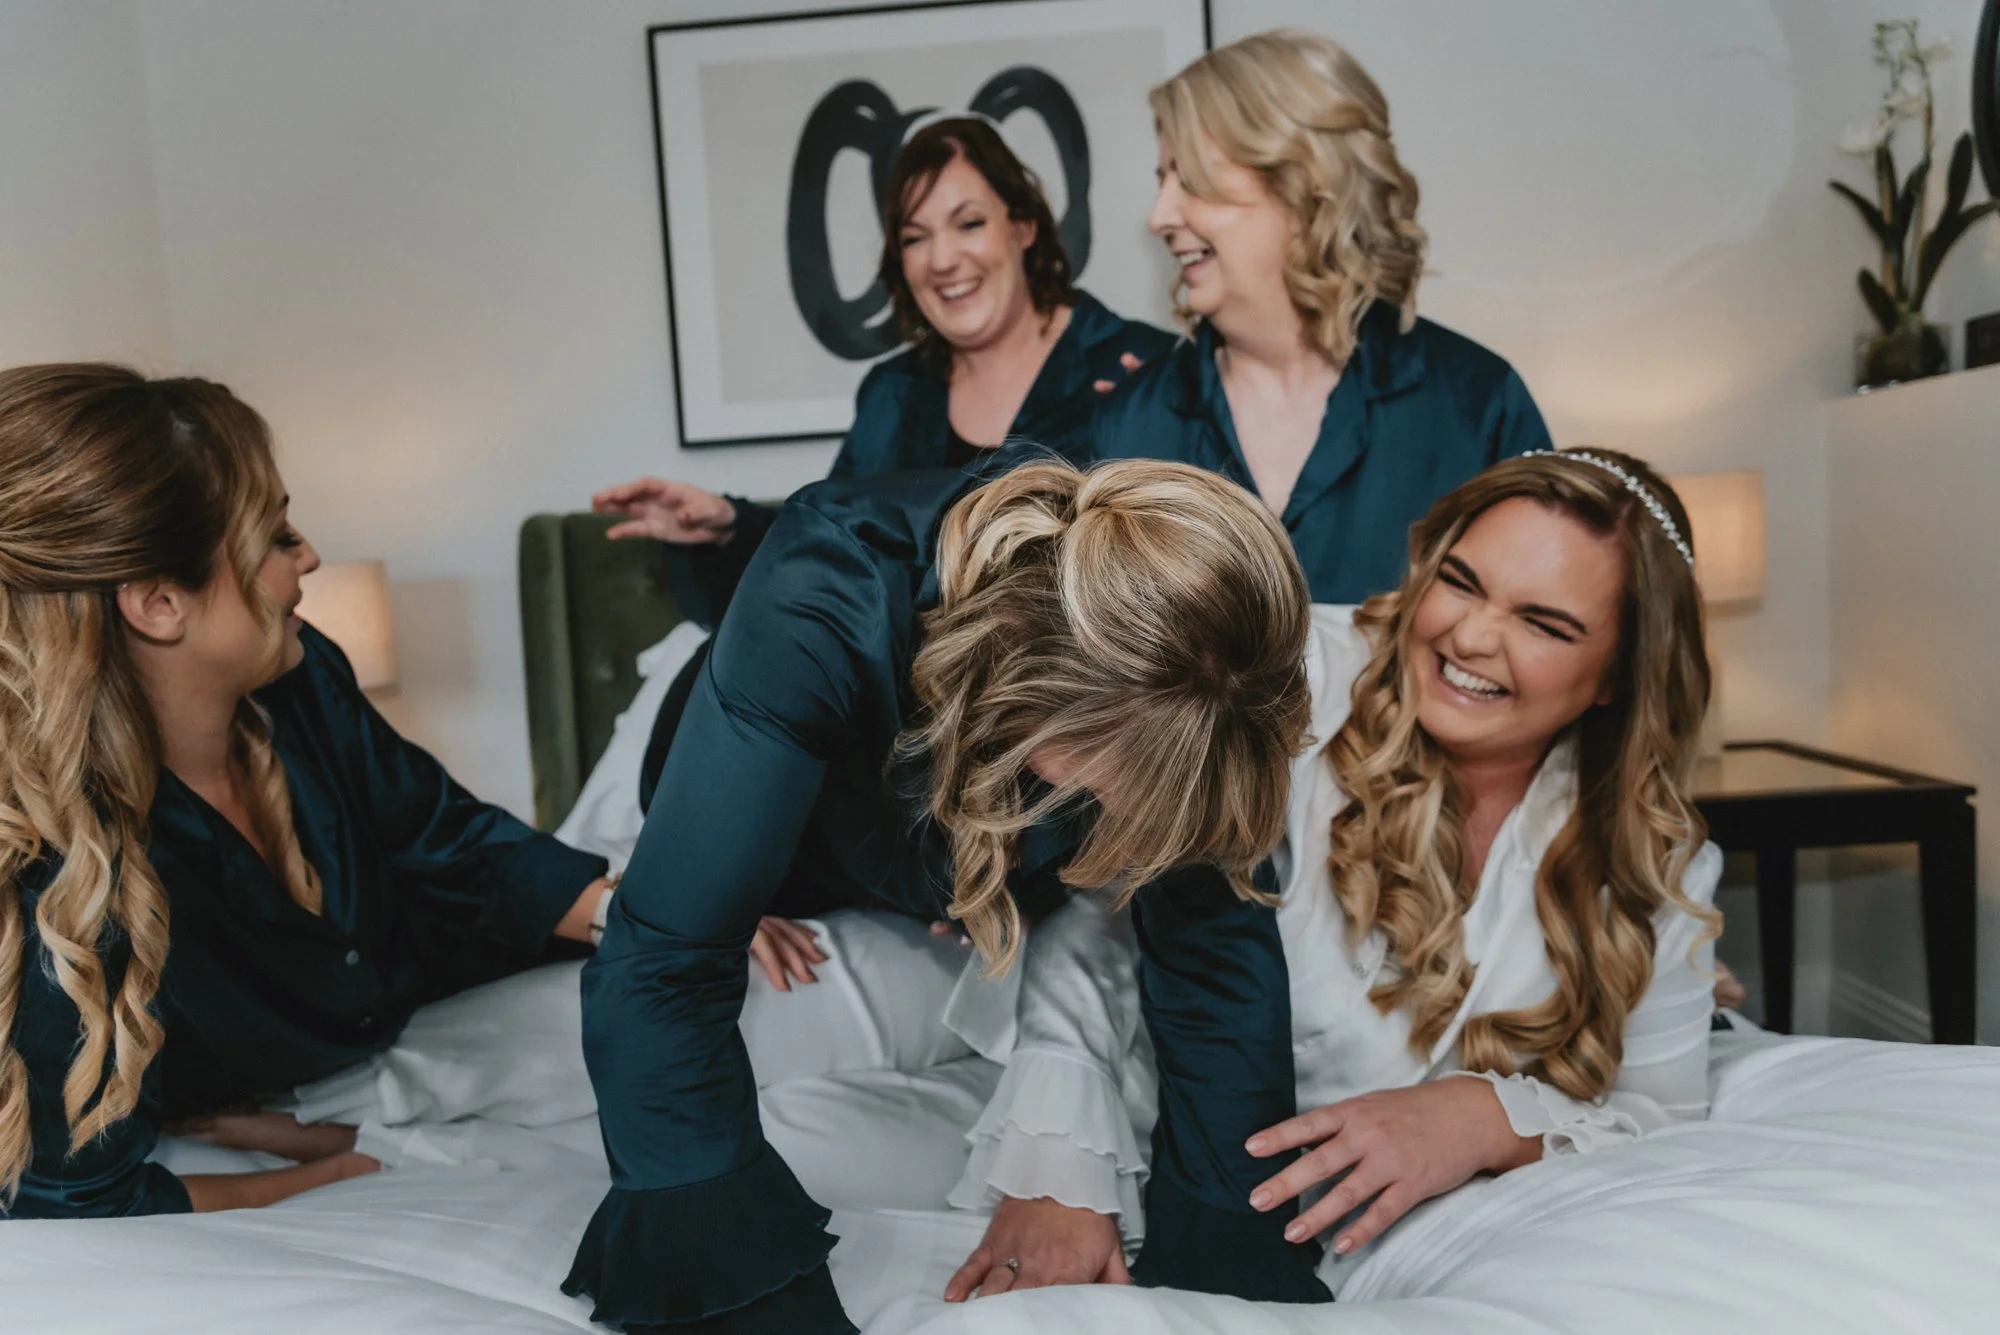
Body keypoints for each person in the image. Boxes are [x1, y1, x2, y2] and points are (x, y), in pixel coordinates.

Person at [562, 452, 1315, 1334]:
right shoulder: (820, 591)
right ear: (1023, 672)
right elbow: (664, 963)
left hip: (958, 871)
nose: (1127, 815)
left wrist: (1230, 1271)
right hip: (785, 829)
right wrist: (746, 1301)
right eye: (1111, 786)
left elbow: (1214, 952)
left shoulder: (1197, 647)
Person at [948, 448, 1723, 1303]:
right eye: (1460, 581)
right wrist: (1055, 1172)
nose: (1471, 637)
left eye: (1545, 624)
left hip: (1398, 1246)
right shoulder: (1283, 680)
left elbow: (1664, 1115)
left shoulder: (1655, 856)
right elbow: (1105, 915)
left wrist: (1490, 1118)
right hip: (1160, 1145)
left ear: (1617, 673)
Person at [0, 364, 616, 1219]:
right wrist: (328, 1173)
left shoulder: (301, 674)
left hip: (402, 1022)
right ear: (159, 603)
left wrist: (645, 915)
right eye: (277, 537)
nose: (311, 557)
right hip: (292, 1097)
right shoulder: (63, 868)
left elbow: (445, 838)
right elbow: (72, 1196)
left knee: (735, 990)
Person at [593, 115, 1173, 633]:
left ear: (1024, 228)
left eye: (969, 223)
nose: (942, 259)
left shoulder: (1136, 370)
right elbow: (836, 548)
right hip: (900, 703)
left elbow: (1173, 574)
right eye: (915, 237)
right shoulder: (892, 394)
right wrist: (726, 526)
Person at [1091, 31, 1552, 603]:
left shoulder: (1477, 407)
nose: (1159, 216)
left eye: (1190, 179)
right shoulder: (1130, 426)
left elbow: (1544, 624)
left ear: (1306, 185)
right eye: (1162, 180)